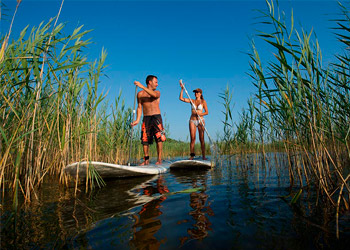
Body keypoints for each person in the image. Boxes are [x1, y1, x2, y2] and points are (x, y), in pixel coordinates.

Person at [131, 75, 166, 165]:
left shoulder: (157, 92)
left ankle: (159, 159)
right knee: (145, 139)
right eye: (156, 82)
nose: (157, 84)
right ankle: (146, 159)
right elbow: (139, 107)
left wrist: (141, 86)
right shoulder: (140, 94)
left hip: (156, 117)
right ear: (150, 82)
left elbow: (153, 95)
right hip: (146, 118)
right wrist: (137, 120)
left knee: (159, 138)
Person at [179, 80, 208, 160]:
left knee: (201, 139)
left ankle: (204, 156)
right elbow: (181, 98)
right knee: (192, 138)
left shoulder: (203, 101)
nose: (196, 93)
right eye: (195, 92)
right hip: (192, 120)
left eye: (197, 92)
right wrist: (182, 89)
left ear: (200, 93)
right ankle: (192, 155)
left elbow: (206, 112)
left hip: (200, 121)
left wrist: (201, 114)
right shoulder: (192, 101)